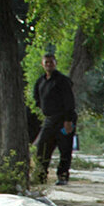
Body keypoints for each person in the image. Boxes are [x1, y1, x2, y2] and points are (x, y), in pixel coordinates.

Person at [33, 52, 78, 185]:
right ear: (42, 64)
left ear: (55, 63)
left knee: (65, 148)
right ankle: (41, 175)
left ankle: (63, 175)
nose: (48, 65)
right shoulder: (40, 81)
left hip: (64, 119)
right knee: (43, 147)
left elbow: (69, 101)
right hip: (50, 119)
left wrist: (68, 121)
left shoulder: (63, 80)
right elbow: (37, 98)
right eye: (46, 62)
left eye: (51, 62)